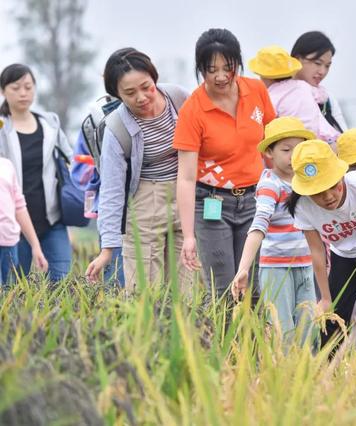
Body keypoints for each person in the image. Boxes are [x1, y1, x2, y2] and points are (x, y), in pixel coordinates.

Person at [174, 28, 276, 304]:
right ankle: (216, 347)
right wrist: (187, 236)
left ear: (237, 64)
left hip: (255, 201)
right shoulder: (193, 110)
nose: (220, 76)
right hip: (212, 206)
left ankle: (253, 348)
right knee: (222, 293)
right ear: (200, 69)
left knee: (254, 289)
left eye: (227, 68)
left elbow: (273, 146)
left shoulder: (256, 92)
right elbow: (185, 177)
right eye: (211, 70)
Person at [85, 48, 193, 293]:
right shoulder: (116, 128)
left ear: (154, 77)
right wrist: (107, 250)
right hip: (144, 202)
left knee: (187, 290)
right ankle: (144, 332)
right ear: (117, 95)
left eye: (146, 86)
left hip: (185, 195)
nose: (142, 97)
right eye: (130, 93)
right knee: (142, 292)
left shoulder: (179, 98)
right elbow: (112, 191)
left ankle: (188, 331)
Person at [287, 139, 356, 349]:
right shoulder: (302, 207)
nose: (328, 197)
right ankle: (330, 370)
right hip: (344, 255)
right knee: (332, 315)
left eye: (332, 187)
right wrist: (325, 298)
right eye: (318, 193)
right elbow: (317, 252)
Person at [231, 117, 316, 340]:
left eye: (298, 150)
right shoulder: (270, 183)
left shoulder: (307, 182)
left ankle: (310, 374)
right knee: (283, 329)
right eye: (286, 150)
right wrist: (244, 268)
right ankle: (283, 373)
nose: (292, 157)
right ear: (270, 152)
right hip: (276, 269)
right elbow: (259, 224)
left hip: (306, 264)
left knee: (309, 328)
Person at [0, 64, 73, 283]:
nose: (23, 93)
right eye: (16, 87)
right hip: (13, 221)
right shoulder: (1, 126)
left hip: (51, 217)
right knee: (13, 286)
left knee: (61, 281)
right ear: (3, 91)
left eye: (28, 87)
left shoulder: (49, 122)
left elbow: (69, 158)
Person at [248, 45, 340, 144]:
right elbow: (321, 96)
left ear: (265, 77)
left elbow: (257, 120)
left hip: (296, 144)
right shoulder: (303, 86)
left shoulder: (270, 96)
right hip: (323, 138)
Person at [70, 130, 124, 287]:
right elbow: (78, 173)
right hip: (111, 219)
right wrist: (100, 168)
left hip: (150, 213)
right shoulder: (92, 123)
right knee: (116, 282)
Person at [0, 156, 47, 287]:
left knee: (8, 299)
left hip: (10, 246)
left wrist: (35, 246)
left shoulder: (6, 165)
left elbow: (19, 207)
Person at [291, 31, 347, 133]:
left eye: (327, 66)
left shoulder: (328, 100)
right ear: (297, 59)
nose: (322, 71)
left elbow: (344, 136)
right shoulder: (278, 94)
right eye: (317, 63)